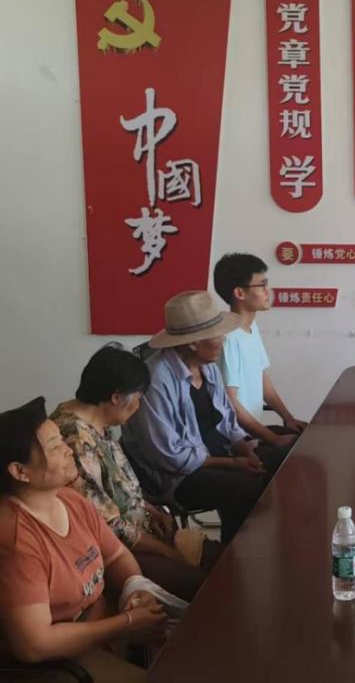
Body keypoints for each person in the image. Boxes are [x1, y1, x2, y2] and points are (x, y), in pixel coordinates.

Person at [0, 397, 166, 680]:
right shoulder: (17, 540)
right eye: (55, 446)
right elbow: (35, 645)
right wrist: (125, 624)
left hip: (104, 622)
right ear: (19, 471)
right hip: (65, 656)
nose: (68, 449)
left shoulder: (70, 499)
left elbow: (117, 555)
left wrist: (134, 587)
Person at [51, 344, 220, 601]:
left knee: (221, 559)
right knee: (204, 587)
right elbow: (106, 525)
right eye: (139, 397)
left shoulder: (99, 421)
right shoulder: (75, 439)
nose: (140, 405)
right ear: (116, 397)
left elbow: (121, 486)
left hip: (141, 532)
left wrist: (151, 510)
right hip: (114, 551)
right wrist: (164, 551)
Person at [121, 291, 289, 543]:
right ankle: (234, 556)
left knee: (284, 458)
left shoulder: (208, 367)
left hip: (218, 454)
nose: (223, 340)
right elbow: (169, 455)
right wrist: (232, 463)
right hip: (176, 476)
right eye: (216, 335)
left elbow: (228, 422)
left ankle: (269, 544)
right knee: (247, 487)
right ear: (192, 343)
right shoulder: (156, 380)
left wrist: (244, 449)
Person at [212, 252, 307, 446]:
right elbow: (230, 404)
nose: (267, 291)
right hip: (238, 442)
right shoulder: (229, 338)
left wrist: (288, 418)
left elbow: (261, 376)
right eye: (262, 285)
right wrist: (274, 439)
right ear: (240, 293)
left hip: (255, 432)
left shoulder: (251, 327)